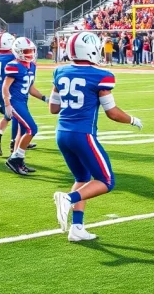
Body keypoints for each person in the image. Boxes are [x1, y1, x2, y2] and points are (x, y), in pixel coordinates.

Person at [51, 32, 143, 242]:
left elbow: (53, 108)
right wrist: (131, 119)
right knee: (106, 181)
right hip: (83, 134)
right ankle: (68, 198)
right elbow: (112, 112)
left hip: (62, 133)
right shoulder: (100, 75)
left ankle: (77, 228)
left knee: (81, 179)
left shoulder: (59, 71)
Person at [2, 37, 47, 176]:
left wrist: (45, 98)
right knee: (31, 129)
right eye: (26, 51)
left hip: (23, 102)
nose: (30, 53)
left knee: (21, 132)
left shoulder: (31, 65)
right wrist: (7, 104)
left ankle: (18, 161)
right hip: (15, 102)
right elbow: (5, 87)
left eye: (31, 50)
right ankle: (16, 159)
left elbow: (30, 88)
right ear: (18, 51)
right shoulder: (13, 65)